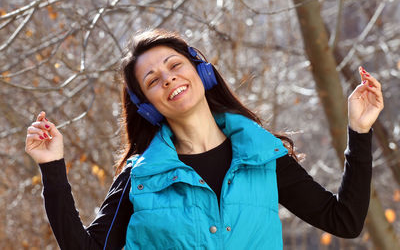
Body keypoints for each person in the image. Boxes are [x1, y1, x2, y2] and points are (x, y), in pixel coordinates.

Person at [25, 29, 384, 250]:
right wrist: (52, 168)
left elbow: (345, 221)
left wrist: (360, 131)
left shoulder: (262, 156)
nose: (167, 78)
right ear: (147, 106)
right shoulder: (140, 177)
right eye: (152, 80)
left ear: (201, 70)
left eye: (174, 65)